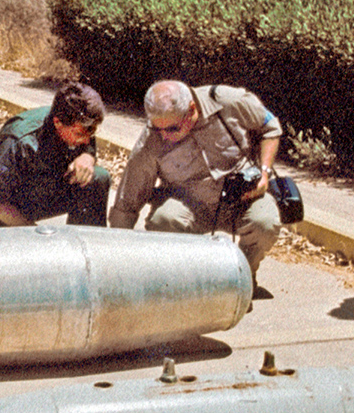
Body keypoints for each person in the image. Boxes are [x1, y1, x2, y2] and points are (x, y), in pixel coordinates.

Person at [109, 80, 283, 279]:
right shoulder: (152, 138)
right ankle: (187, 281)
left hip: (241, 198)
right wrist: (118, 259)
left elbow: (270, 127)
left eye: (172, 129)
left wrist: (264, 172)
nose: (164, 136)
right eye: (158, 129)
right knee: (163, 221)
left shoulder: (227, 102)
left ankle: (243, 277)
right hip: (189, 205)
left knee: (265, 223)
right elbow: (128, 200)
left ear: (192, 109)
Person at [0, 82, 111, 228]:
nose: (86, 139)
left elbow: (87, 144)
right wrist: (33, 233)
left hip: (45, 190)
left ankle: (85, 242)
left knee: (97, 178)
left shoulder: (82, 123)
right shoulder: (20, 140)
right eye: (80, 134)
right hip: (8, 204)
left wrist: (87, 157)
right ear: (57, 123)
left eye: (91, 133)